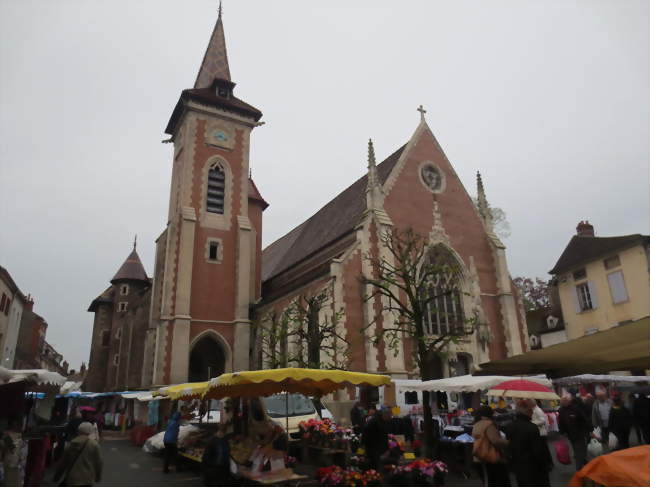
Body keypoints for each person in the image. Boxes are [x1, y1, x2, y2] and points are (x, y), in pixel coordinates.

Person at [505, 400, 552, 487]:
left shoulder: (510, 426)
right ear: (526, 411)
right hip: (533, 466)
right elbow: (538, 450)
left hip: (518, 464)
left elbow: (509, 446)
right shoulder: (531, 427)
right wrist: (545, 464)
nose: (532, 413)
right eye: (530, 411)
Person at [53, 422, 102, 487]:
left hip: (72, 480)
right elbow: (98, 462)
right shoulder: (94, 445)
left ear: (78, 431)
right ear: (90, 432)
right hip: (87, 480)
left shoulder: (71, 444)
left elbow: (63, 463)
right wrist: (98, 477)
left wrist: (57, 477)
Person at [471, 406, 510, 487]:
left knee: (487, 481)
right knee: (495, 481)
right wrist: (509, 442)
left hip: (479, 456)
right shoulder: (488, 424)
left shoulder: (476, 424)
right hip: (490, 457)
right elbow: (495, 440)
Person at [558, 396, 590, 470]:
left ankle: (578, 468)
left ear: (569, 401)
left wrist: (589, 430)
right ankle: (584, 461)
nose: (563, 402)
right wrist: (562, 432)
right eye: (562, 401)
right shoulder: (561, 410)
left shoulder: (576, 409)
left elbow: (584, 419)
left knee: (578, 451)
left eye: (564, 401)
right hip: (570, 435)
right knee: (577, 450)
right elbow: (561, 422)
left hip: (579, 434)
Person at [363, 406, 392, 471]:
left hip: (379, 450)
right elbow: (367, 436)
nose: (390, 417)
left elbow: (384, 437)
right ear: (385, 414)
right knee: (375, 468)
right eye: (390, 415)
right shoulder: (373, 422)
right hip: (373, 450)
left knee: (379, 468)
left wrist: (386, 449)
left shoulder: (383, 422)